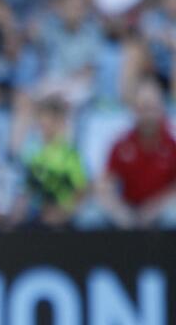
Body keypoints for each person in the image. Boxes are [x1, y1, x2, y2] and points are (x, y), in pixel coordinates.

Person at [95, 79, 176, 228]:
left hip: (162, 209)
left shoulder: (172, 144)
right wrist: (119, 211)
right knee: (93, 216)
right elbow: (105, 184)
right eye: (143, 109)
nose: (148, 115)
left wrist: (156, 208)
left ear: (161, 109)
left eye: (152, 108)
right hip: (129, 209)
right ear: (134, 110)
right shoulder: (121, 144)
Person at [21, 94, 87, 228]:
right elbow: (28, 191)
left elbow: (81, 190)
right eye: (42, 120)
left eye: (49, 121)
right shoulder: (33, 154)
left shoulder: (70, 155)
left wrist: (63, 213)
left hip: (64, 219)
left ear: (59, 122)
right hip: (37, 218)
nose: (44, 126)